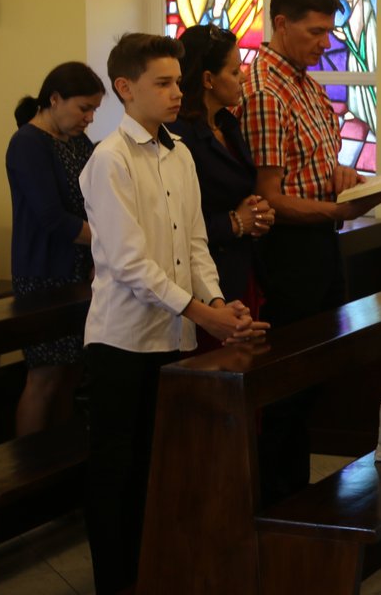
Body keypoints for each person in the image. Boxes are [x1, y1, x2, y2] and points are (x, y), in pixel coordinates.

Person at [80, 33, 267, 595]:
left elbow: (194, 245)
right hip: (121, 341)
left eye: (177, 82)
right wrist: (201, 313)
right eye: (161, 83)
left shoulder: (179, 152)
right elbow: (130, 264)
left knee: (158, 468)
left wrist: (217, 303)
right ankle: (115, 583)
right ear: (124, 88)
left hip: (173, 334)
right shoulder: (109, 160)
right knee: (116, 475)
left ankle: (154, 574)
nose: (175, 93)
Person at [240, 0, 381, 506]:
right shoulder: (265, 91)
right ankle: (276, 498)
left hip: (319, 243)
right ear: (281, 24)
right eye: (314, 32)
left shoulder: (305, 84)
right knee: (288, 382)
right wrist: (338, 209)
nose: (324, 43)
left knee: (314, 377)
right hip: (286, 251)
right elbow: (269, 197)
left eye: (328, 31)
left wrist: (345, 179)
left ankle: (298, 494)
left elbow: (313, 167)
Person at [5, 61, 105, 436]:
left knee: (72, 373)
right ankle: (29, 460)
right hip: (43, 272)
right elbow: (51, 217)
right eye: (84, 108)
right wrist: (110, 241)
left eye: (94, 109)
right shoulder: (28, 143)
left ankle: (60, 453)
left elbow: (96, 198)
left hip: (79, 272)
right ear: (55, 99)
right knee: (44, 376)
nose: (90, 118)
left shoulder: (77, 141)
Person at [168, 24, 274, 327]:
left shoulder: (227, 123)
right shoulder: (179, 134)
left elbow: (238, 189)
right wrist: (236, 222)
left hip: (241, 265)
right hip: (204, 277)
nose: (244, 78)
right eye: (235, 71)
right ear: (208, 80)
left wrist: (257, 213)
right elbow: (177, 221)